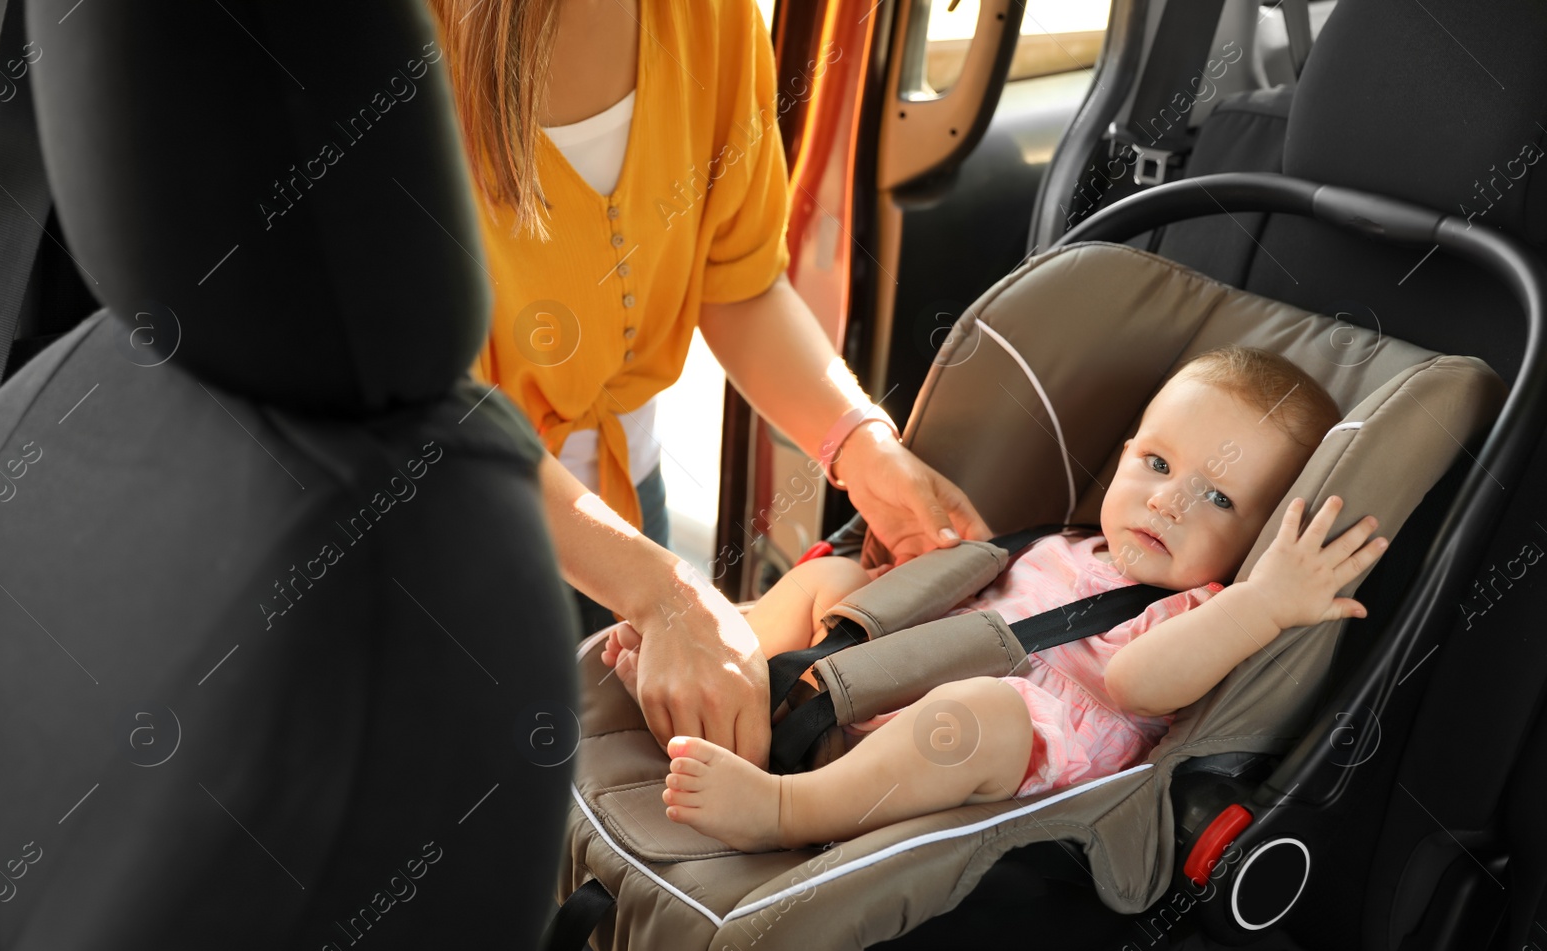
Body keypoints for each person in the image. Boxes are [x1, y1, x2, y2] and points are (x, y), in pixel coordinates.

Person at [426, 0, 991, 770]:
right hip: (442, 544)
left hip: (629, 512)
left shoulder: (713, 20)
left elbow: (739, 285)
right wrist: (666, 595)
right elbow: (433, 410)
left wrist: (860, 445)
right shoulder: (387, 48)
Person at [601, 346, 1391, 852]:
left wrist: (1263, 602)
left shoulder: (1199, 608)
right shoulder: (1059, 542)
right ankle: (718, 667)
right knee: (832, 581)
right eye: (1156, 464)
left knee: (981, 712)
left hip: (986, 746)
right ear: (1122, 457)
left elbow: (1135, 684)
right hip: (875, 688)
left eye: (1218, 499)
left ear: (1252, 544)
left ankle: (781, 807)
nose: (1169, 503)